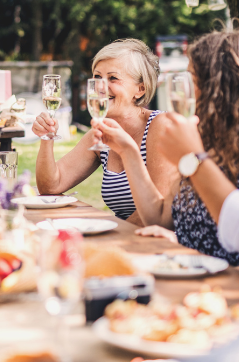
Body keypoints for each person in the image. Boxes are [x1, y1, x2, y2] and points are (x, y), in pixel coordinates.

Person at [95, 31, 239, 264]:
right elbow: (160, 219)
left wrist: (193, 158)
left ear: (219, 87)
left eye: (192, 80)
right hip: (189, 276)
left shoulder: (200, 149)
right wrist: (129, 151)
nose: (183, 93)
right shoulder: (207, 139)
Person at [32, 39, 176, 224]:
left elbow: (160, 211)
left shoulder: (160, 125)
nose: (100, 87)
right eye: (97, 77)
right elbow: (50, 187)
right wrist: (47, 137)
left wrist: (108, 230)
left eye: (113, 78)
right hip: (127, 238)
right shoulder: (100, 133)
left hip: (163, 244)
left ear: (140, 90)